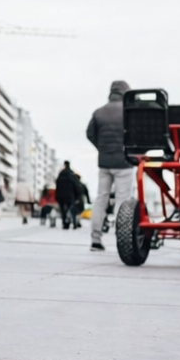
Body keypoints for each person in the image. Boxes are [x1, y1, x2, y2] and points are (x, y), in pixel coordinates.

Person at [86, 79, 137, 252]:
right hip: (124, 162)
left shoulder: (99, 112)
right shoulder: (129, 112)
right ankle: (121, 240)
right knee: (123, 201)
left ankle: (95, 240)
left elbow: (89, 134)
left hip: (104, 163)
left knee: (101, 199)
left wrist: (101, 148)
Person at [54, 161, 81, 229]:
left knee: (63, 210)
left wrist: (57, 196)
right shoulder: (72, 175)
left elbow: (57, 186)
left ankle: (65, 223)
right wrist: (77, 196)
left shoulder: (60, 174)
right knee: (72, 209)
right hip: (70, 196)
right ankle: (74, 223)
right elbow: (76, 186)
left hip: (61, 196)